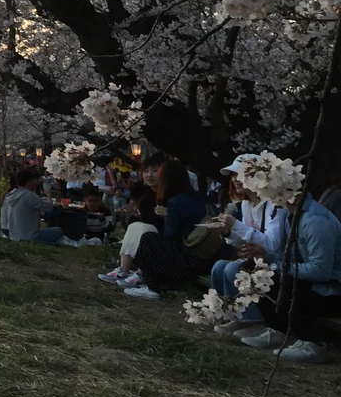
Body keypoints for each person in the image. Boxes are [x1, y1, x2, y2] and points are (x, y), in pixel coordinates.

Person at [237, 191, 341, 362]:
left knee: (277, 280)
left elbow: (321, 271)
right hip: (311, 284)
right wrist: (266, 257)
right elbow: (291, 258)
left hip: (331, 292)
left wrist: (275, 267)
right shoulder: (290, 217)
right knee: (249, 269)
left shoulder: (316, 221)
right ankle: (281, 330)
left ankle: (314, 342)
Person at [124, 160, 229, 300]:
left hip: (192, 260)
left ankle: (151, 287)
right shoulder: (197, 197)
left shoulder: (176, 202)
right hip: (208, 255)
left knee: (148, 238)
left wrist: (165, 219)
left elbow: (170, 236)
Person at [209, 155, 289, 336]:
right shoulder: (246, 204)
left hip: (275, 261)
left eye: (240, 174)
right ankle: (228, 314)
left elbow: (273, 245)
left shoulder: (274, 205)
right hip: (256, 258)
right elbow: (247, 240)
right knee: (219, 267)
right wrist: (227, 233)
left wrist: (236, 225)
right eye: (233, 175)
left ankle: (252, 320)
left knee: (231, 270)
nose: (235, 179)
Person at [2, 167, 69, 245]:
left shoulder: (10, 196)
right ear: (29, 181)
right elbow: (48, 207)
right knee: (58, 230)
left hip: (14, 236)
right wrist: (49, 196)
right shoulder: (29, 195)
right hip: (30, 237)